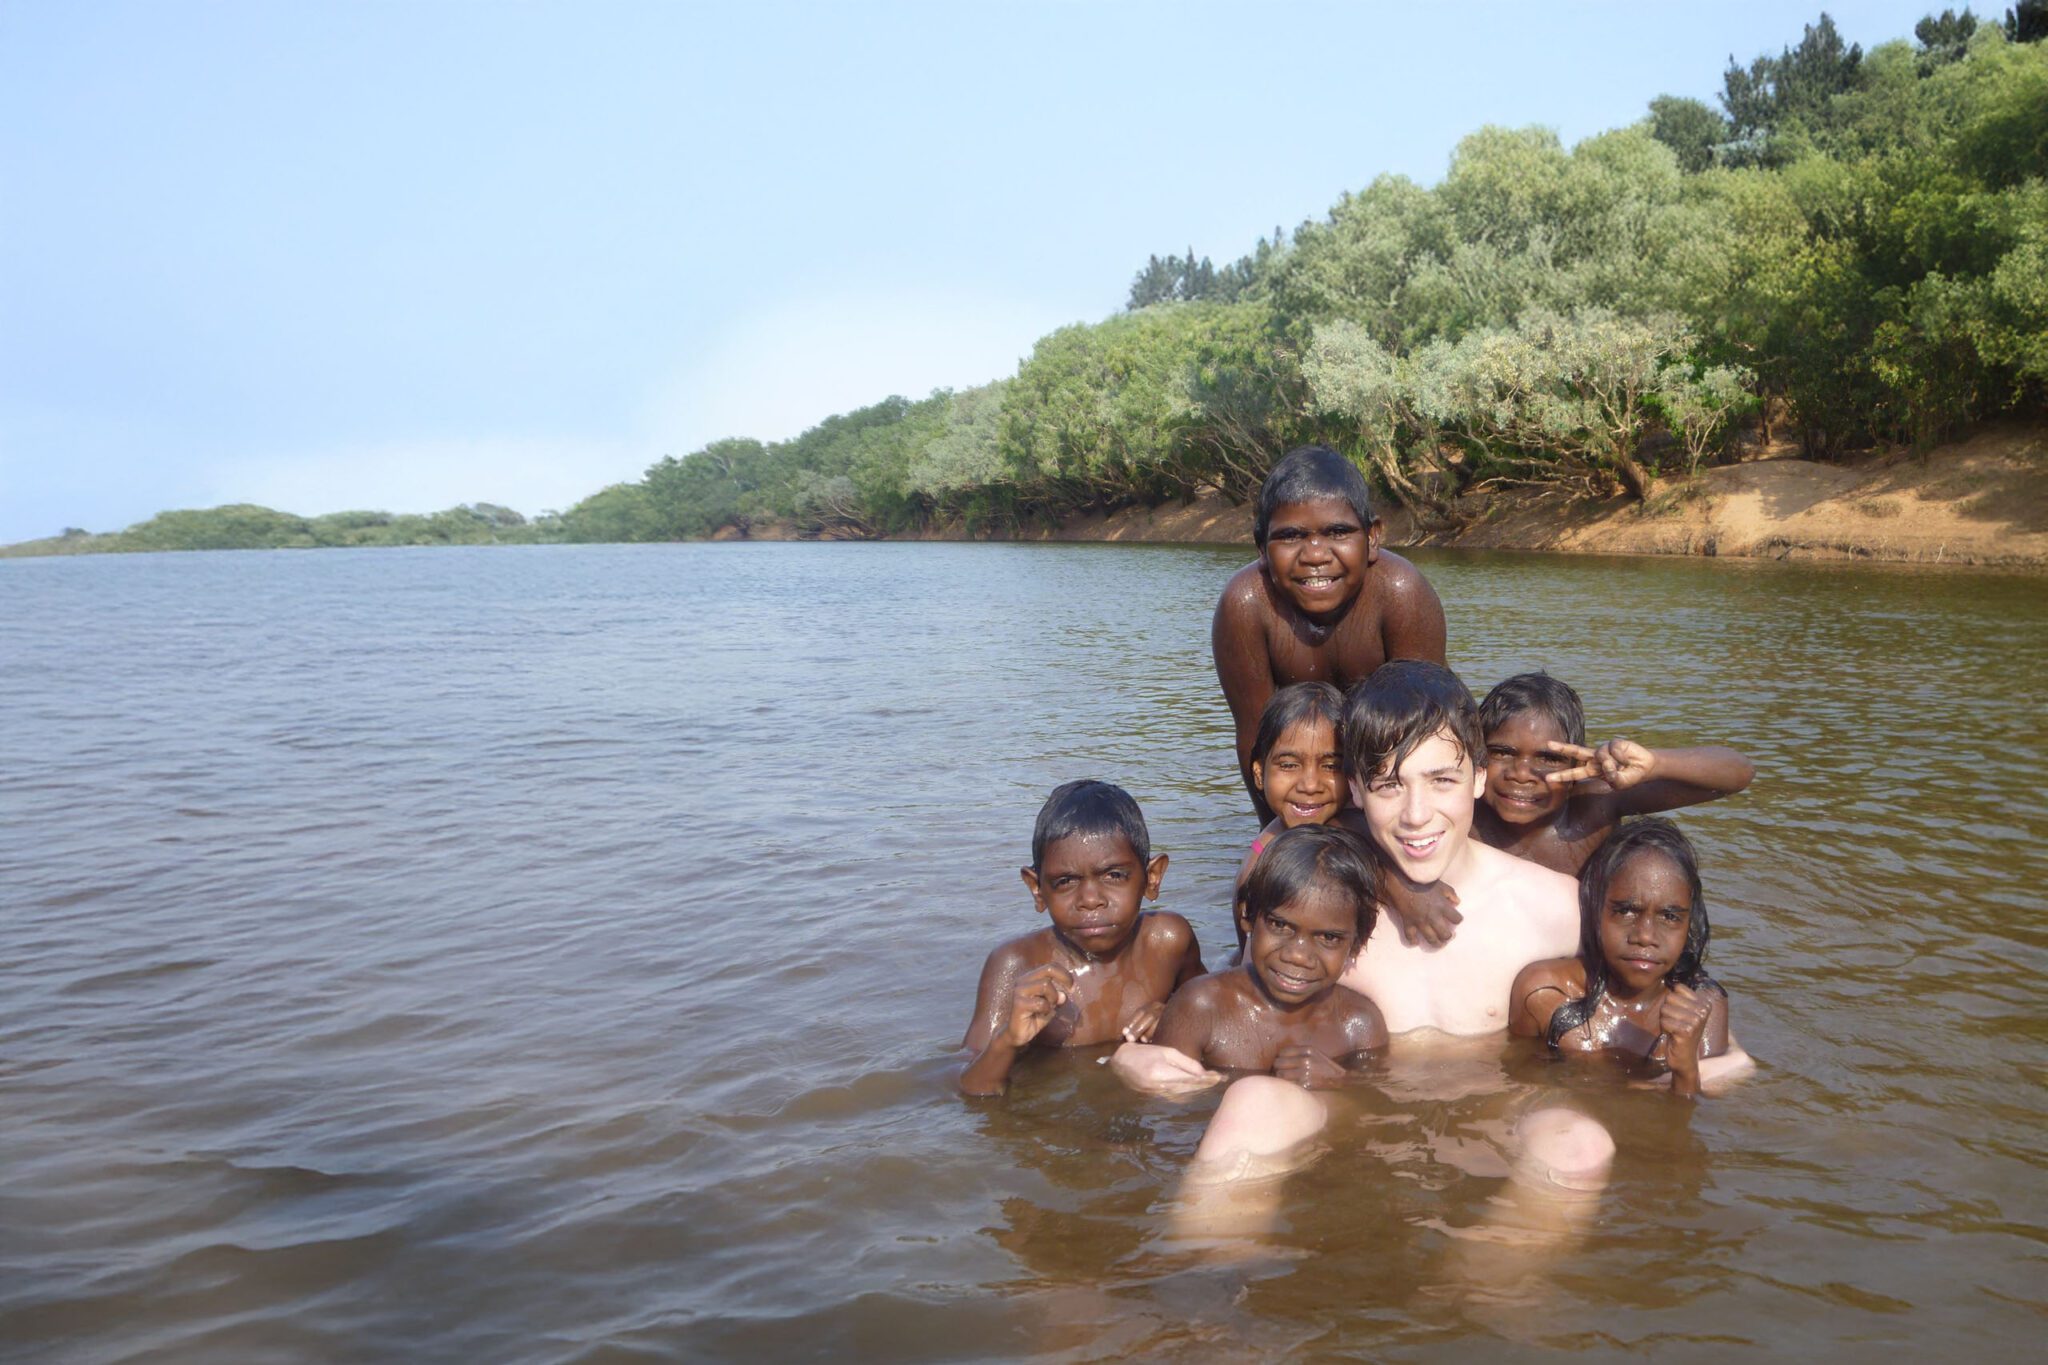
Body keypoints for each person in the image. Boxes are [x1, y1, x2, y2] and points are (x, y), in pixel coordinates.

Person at [1115, 662, 1601, 1191]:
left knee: (1579, 1141)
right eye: (1390, 785)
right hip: (1345, 1119)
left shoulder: (1555, 908)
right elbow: (1237, 996)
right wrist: (1137, 1059)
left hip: (1495, 1121)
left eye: (1441, 781)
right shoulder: (1323, 909)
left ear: (1479, 777)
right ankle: (1200, 1267)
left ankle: (1477, 1275)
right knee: (1253, 1101)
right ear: (1355, 789)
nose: (1417, 815)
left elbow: (1648, 1007)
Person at [1212, 446, 1447, 827]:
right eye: (1290, 537)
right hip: (1304, 787)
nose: (1315, 555)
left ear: (1372, 538)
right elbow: (1253, 739)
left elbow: (1431, 726)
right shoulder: (1246, 605)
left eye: (1338, 532)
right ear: (1261, 549)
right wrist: (1274, 834)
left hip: (1392, 784)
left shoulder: (1401, 593)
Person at [959, 780, 1205, 1096]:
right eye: (1065, 881)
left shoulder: (1168, 940)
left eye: (1114, 875)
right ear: (1037, 889)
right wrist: (1009, 1040)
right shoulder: (1016, 964)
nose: (1090, 900)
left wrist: (1174, 1016)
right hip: (1056, 1122)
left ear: (1151, 878)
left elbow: (1212, 1014)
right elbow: (970, 1088)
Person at [1509, 817, 1748, 1099]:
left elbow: (1689, 1127)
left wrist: (1685, 1069)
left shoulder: (1703, 1006)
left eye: (1670, 917)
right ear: (1596, 908)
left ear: (1689, 923)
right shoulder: (1544, 993)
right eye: (1626, 911)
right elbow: (1516, 1086)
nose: (1645, 936)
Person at [1153, 825, 1388, 1087]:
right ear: (1247, 916)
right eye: (1280, 925)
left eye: (1328, 938)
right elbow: (1166, 1112)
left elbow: (1373, 1112)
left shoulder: (1360, 1024)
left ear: (1357, 944)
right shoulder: (1199, 1007)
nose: (1298, 956)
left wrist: (1339, 1084)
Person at [1474, 672, 1755, 876]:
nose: (1521, 774)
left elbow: (1738, 773)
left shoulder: (1596, 802)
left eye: (1549, 758)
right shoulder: (1462, 815)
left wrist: (1656, 764)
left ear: (1575, 769)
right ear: (1476, 754)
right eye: (1502, 752)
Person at [1229, 682, 1345, 952]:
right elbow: (1247, 955)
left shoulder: (1357, 826)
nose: (1309, 784)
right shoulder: (1260, 866)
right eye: (1289, 765)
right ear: (1259, 774)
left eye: (1331, 766)